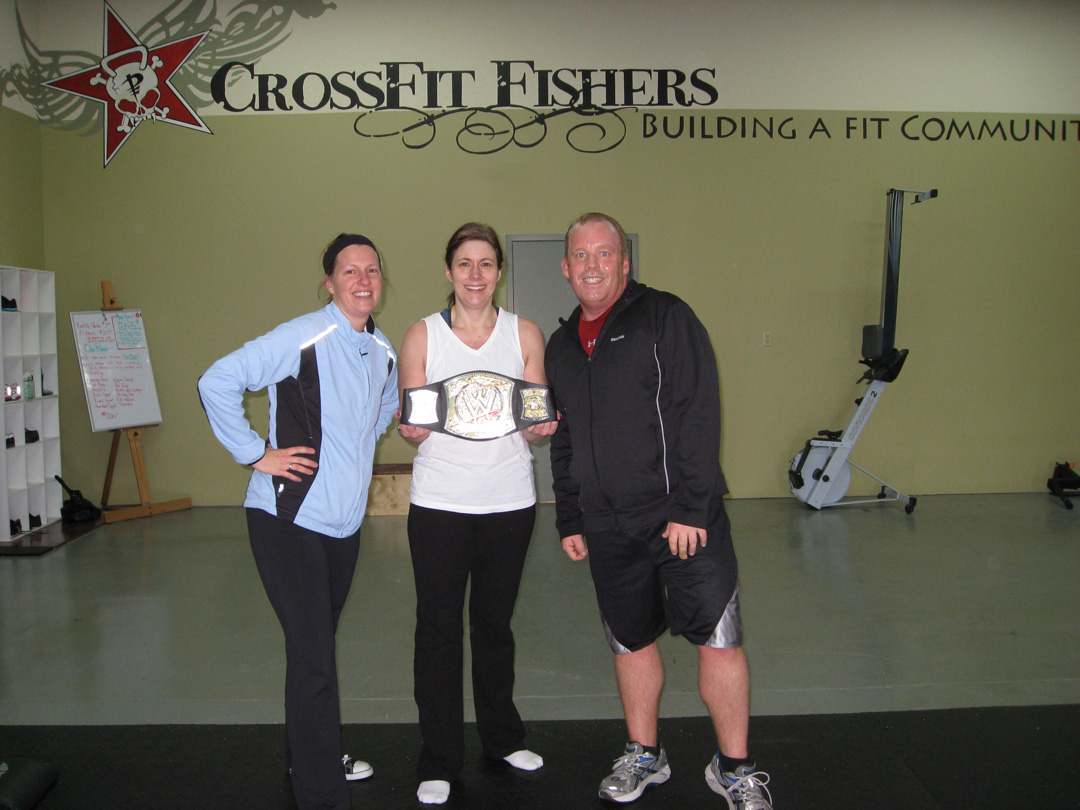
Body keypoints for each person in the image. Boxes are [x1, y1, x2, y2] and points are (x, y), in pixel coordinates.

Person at [545, 213, 774, 809]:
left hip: (682, 519)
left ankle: (735, 768)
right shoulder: (560, 346)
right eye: (581, 255)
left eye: (605, 253)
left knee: (718, 640)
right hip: (607, 524)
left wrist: (691, 507)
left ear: (624, 262)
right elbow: (565, 438)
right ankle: (645, 754)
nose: (592, 265)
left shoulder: (665, 317)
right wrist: (571, 516)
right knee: (630, 642)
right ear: (565, 267)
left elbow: (697, 408)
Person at [198, 233, 398, 810]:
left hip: (343, 526)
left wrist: (379, 434)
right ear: (329, 283)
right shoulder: (303, 336)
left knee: (313, 651)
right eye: (350, 271)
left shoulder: (381, 349)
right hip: (287, 519)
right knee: (315, 658)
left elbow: (384, 406)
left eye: (372, 270)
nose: (363, 280)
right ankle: (320, 790)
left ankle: (308, 756)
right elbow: (217, 381)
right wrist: (256, 454)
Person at [397, 223, 558, 806]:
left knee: (494, 627)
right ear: (448, 271)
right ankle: (439, 758)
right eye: (464, 263)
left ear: (499, 272)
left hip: (509, 502)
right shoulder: (422, 334)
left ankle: (502, 738)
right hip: (439, 503)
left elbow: (535, 413)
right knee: (438, 630)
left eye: (486, 263)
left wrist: (541, 426)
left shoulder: (524, 333)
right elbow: (412, 418)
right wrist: (412, 428)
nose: (475, 275)